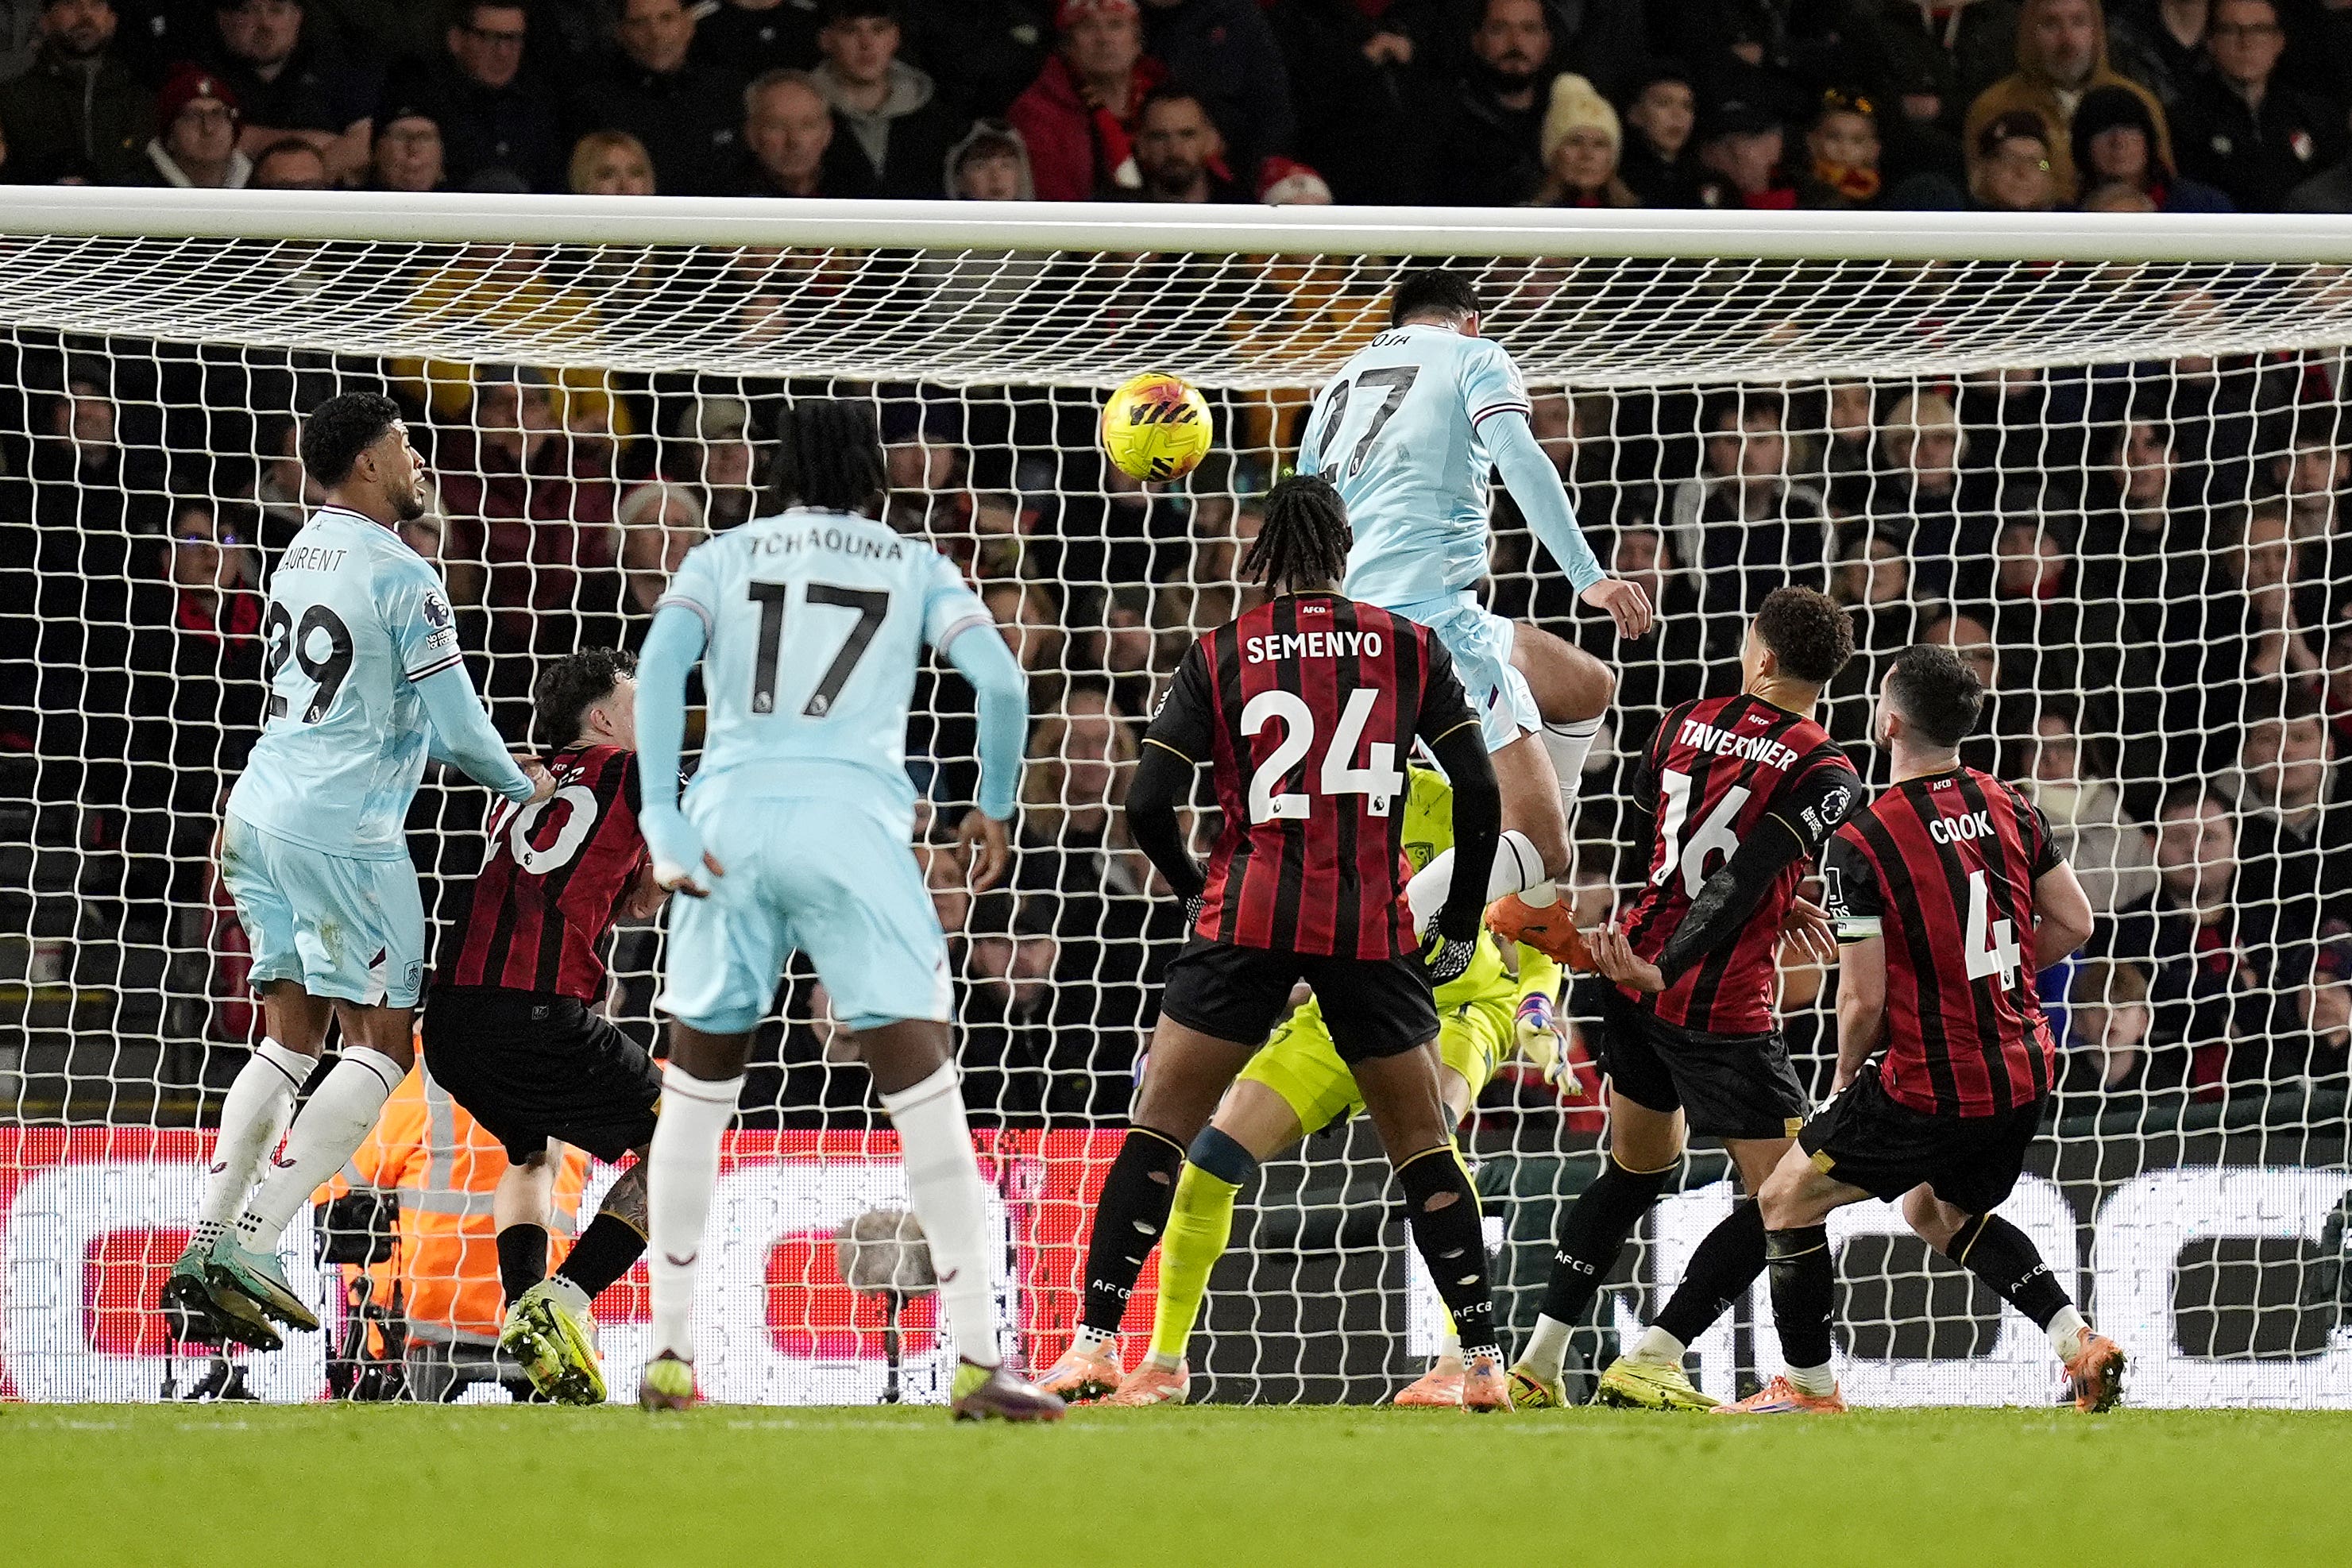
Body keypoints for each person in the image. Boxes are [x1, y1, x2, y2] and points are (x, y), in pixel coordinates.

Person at [1033, 474, 1514, 1411]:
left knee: (1162, 1128)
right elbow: (1481, 794)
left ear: (1261, 550)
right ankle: (1486, 1367)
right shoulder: (1410, 646)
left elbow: (1143, 803)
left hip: (1246, 917)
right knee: (1421, 1146)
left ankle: (1096, 1346)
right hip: (1367, 927)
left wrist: (1190, 889)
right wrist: (1455, 929)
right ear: (1347, 547)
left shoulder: (1220, 652)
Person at [628, 399, 1060, 1421]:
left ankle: (673, 1356)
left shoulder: (721, 555)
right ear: (876, 474)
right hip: (855, 827)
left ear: (776, 472)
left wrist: (661, 811)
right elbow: (1001, 682)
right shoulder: (912, 563)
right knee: (923, 1083)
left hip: (728, 816)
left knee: (696, 1087)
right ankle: (977, 1360)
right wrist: (992, 806)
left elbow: (656, 667)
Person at [159, 392, 551, 1351]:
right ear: (372, 462)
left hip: (256, 811)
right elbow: (460, 730)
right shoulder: (405, 574)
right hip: (345, 832)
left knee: (289, 1037)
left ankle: (210, 1234)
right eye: (409, 441)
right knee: (382, 1043)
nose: (419, 456)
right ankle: (253, 1240)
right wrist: (526, 781)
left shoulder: (300, 551)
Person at [1725, 643, 2122, 1415]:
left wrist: (1842, 1082)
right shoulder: (2012, 805)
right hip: (2023, 1069)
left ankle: (1808, 1388)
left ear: (1890, 722)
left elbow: (1863, 1002)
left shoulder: (1859, 844)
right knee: (1934, 1211)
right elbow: (2076, 919)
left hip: (1931, 1082)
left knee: (1784, 1200)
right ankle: (2080, 1344)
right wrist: (1986, 984)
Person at [1103, 763, 1568, 1407]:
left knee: (1431, 1146)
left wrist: (1534, 1011)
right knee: (1209, 1162)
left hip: (1459, 1009)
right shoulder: (1305, 809)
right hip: (1339, 1008)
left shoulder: (1463, 799)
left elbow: (1542, 939)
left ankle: (1459, 1361)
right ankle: (1164, 1363)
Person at [1503, 588, 1860, 1410]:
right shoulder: (1828, 770)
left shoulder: (1677, 719)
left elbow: (1660, 852)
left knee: (1636, 1172)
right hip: (1714, 1004)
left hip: (1627, 977)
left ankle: (1538, 1363)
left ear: (1762, 657)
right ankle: (1680, 1356)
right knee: (1791, 1197)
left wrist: (1651, 953)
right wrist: (1674, 964)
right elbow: (1741, 876)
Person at [1296, 269, 1653, 975]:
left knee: (1583, 685)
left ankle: (1528, 898)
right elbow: (1520, 457)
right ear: (1471, 320)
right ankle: (1382, 929)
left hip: (1364, 622)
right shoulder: (1473, 357)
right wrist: (1591, 577)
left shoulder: (1335, 385)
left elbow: (1302, 521)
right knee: (1548, 847)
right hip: (1430, 632)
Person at [418, 648, 669, 1405]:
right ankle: (560, 1302)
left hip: (453, 1022)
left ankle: (527, 1327)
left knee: (531, 1151)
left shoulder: (514, 780)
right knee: (681, 1146)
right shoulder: (633, 773)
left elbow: (627, 899)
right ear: (602, 720)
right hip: (537, 1013)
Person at [1964, 0, 2172, 204]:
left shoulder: (2135, 103)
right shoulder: (1996, 105)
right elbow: (1980, 194)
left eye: (2079, 22)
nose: (2067, 39)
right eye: (2051, 24)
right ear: (2030, 33)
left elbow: (2163, 184)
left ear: (2097, 31)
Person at [2171, 0, 2340, 212]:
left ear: (2279, 42)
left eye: (2259, 30)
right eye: (2231, 30)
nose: (2246, 43)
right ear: (2211, 41)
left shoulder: (2313, 115)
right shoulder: (2185, 119)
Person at [574, 0, 743, 198]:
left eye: (667, 18)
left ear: (689, 25)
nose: (655, 34)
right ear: (621, 33)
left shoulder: (728, 91)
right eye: (639, 23)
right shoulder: (593, 103)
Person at [811, 0, 968, 199]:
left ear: (895, 37)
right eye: (851, 31)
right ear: (826, 39)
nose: (866, 44)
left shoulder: (936, 116)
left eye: (878, 30)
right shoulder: (800, 112)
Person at [1008, 0, 1163, 201]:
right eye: (1088, 27)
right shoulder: (1036, 112)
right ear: (1067, 45)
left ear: (1138, 42)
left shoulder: (1168, 99)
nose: (1104, 39)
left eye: (1115, 25)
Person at [0, 0, 151, 187]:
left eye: (96, 4)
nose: (85, 15)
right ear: (44, 21)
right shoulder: (13, 98)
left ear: (113, 20)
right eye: (70, 4)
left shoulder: (138, 100)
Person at [138, 64, 253, 188]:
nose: (208, 129)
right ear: (170, 136)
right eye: (192, 116)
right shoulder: (136, 190)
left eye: (218, 115)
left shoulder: (258, 185)